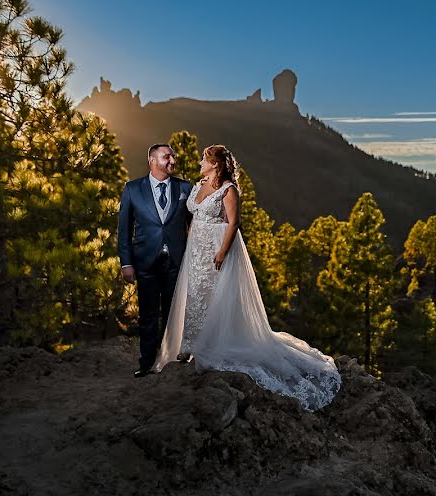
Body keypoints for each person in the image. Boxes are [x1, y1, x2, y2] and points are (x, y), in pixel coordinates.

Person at [154, 144, 340, 412]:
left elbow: (233, 222)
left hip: (218, 246)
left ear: (216, 164)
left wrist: (222, 251)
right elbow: (192, 216)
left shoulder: (228, 190)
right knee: (195, 294)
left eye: (204, 160)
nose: (199, 163)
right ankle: (190, 344)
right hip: (197, 247)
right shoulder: (200, 183)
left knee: (217, 297)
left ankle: (215, 343)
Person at [117, 144, 194, 378]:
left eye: (173, 156)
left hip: (176, 262)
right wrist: (126, 263)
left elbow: (196, 226)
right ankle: (147, 363)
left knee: (174, 313)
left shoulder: (185, 188)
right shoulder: (132, 189)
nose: (173, 159)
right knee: (148, 314)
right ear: (152, 160)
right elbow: (124, 230)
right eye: (167, 156)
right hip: (145, 262)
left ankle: (172, 359)